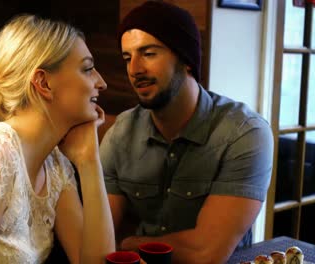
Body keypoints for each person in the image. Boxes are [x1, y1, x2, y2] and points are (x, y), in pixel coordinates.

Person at [0, 14, 115, 264]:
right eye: (87, 69)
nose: (101, 83)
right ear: (43, 82)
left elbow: (97, 262)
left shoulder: (55, 164)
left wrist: (89, 161)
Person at [100, 1, 273, 263]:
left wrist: (128, 243)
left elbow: (205, 253)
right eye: (127, 57)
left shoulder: (244, 133)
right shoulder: (121, 132)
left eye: (148, 53)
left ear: (186, 60)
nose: (134, 69)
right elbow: (99, 234)